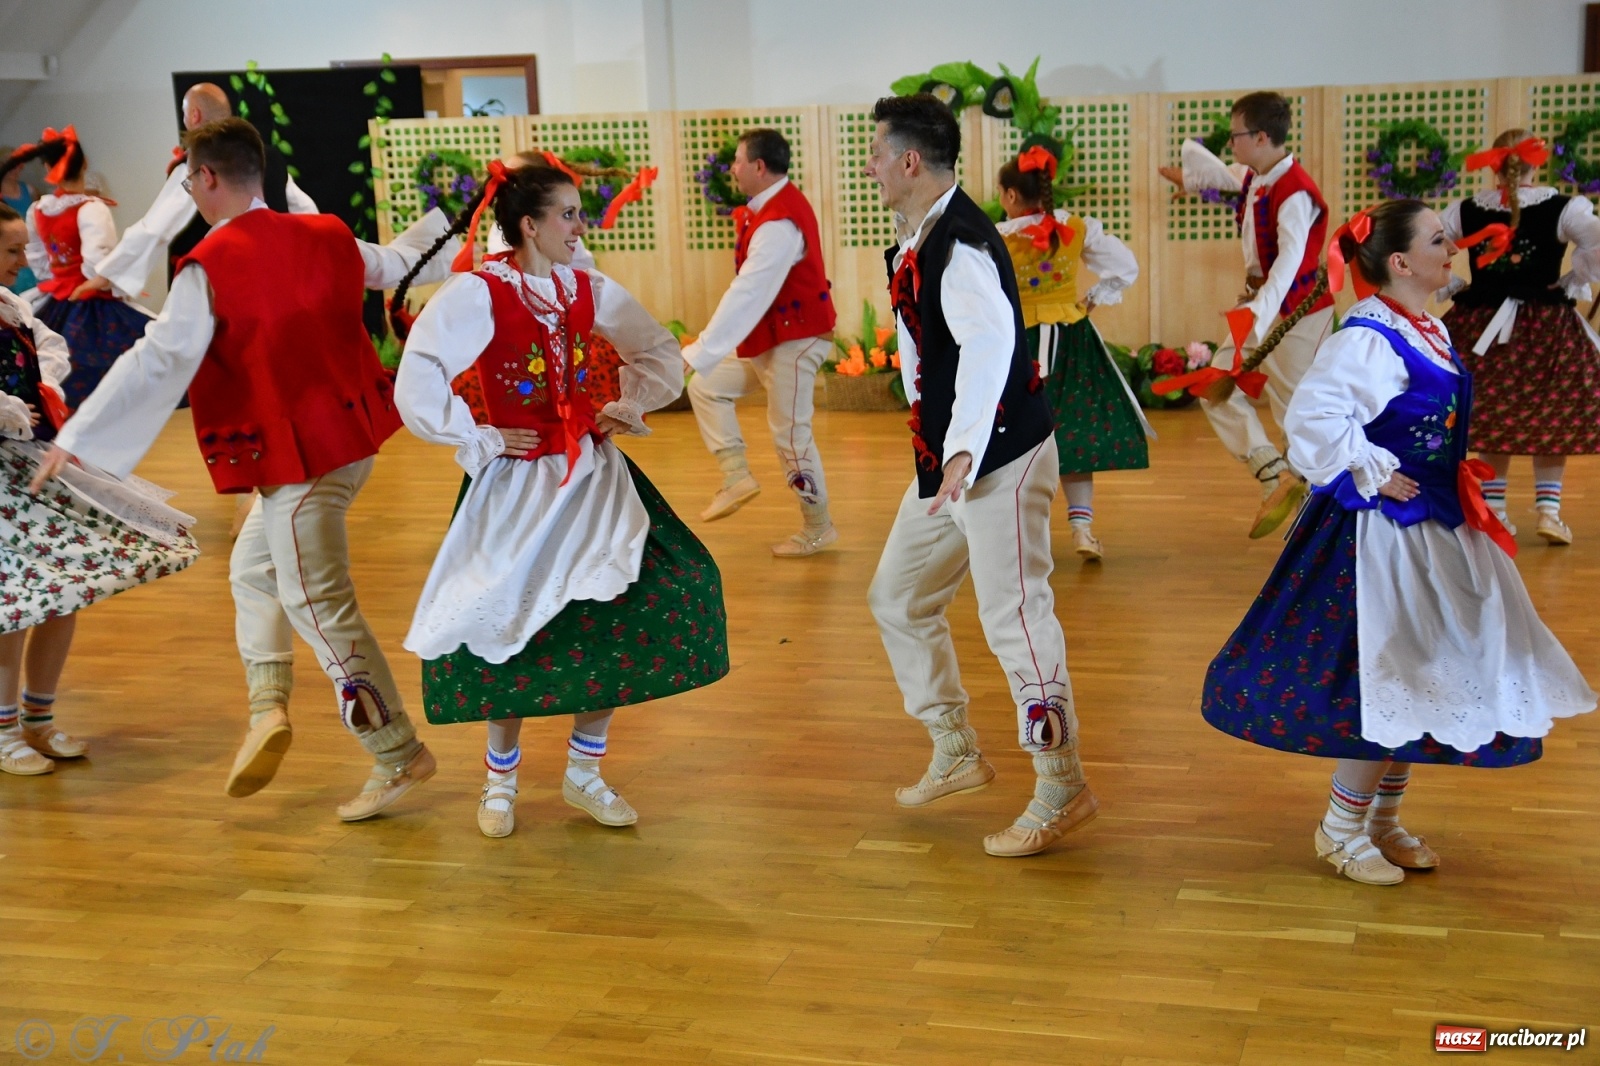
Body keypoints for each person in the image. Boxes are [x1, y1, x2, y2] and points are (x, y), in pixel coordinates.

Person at [31, 118, 458, 820]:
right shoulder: (325, 233)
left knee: (319, 605)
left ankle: (397, 751)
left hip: (301, 464)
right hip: (350, 445)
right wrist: (464, 230)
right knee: (252, 569)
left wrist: (75, 436)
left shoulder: (211, 264)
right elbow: (397, 261)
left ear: (204, 177)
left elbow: (158, 359)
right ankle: (267, 708)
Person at [1200, 199, 1595, 886]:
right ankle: (1340, 828)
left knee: (1427, 674)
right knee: (1393, 676)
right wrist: (1375, 471)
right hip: (1383, 538)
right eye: (1440, 241)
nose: (1454, 249)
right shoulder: (1368, 338)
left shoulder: (1424, 328)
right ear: (1402, 262)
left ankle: (1379, 820)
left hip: (1436, 524)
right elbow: (1315, 417)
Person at [388, 161, 729, 838]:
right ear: (529, 225)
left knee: (624, 607)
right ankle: (500, 781)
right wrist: (479, 435)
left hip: (590, 474)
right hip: (517, 482)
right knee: (505, 619)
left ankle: (585, 770)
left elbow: (657, 350)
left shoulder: (584, 287)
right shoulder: (480, 292)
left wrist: (624, 405)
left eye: (579, 213)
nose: (580, 226)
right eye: (568, 214)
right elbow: (418, 372)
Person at [863, 94, 1096, 858]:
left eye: (876, 154)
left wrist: (962, 448)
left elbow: (991, 344)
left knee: (1015, 617)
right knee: (898, 597)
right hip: (950, 466)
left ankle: (1062, 783)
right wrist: (946, 451)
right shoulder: (923, 236)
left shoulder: (959, 243)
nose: (869, 167)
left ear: (909, 161)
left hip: (997, 461)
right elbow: (929, 352)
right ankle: (955, 747)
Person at [0, 202, 199, 775]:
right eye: (11, 250)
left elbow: (49, 347)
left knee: (65, 588)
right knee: (15, 604)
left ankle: (38, 718)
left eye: (22, 248)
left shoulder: (13, 305)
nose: (22, 261)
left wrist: (42, 386)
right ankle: (4, 729)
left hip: (28, 460)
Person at [1159, 91, 1334, 538]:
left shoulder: (1295, 192)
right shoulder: (1260, 175)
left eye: (1236, 135)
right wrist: (1191, 179)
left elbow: (1290, 260)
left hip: (1295, 310)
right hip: (1261, 306)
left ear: (1260, 137)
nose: (1231, 142)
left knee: (1297, 411)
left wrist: (1259, 313)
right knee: (1213, 387)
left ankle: (1319, 518)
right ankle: (1274, 473)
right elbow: (1228, 175)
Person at [681, 128, 839, 557]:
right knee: (707, 386)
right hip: (775, 336)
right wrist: (702, 357)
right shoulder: (770, 210)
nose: (732, 169)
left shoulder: (779, 222)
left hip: (797, 339)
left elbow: (748, 293)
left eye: (737, 161)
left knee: (791, 435)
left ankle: (818, 527)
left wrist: (698, 350)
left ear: (759, 166)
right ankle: (736, 476)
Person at [1437, 129, 1600, 546]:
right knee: (1553, 414)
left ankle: (1495, 510)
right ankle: (1548, 512)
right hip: (1547, 326)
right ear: (1535, 165)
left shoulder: (1466, 210)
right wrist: (1573, 280)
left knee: (1492, 414)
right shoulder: (1565, 208)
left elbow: (1428, 244)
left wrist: (1454, 285)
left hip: (1480, 326)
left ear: (1494, 165)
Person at [996, 140, 1148, 561]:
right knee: (1075, 432)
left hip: (1018, 345)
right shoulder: (1075, 227)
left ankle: (1021, 536)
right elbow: (1125, 266)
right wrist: (1092, 298)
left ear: (1011, 195)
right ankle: (1082, 529)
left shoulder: (996, 238)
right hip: (1072, 340)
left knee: (1016, 437)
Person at [75, 82, 317, 304]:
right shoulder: (267, 157)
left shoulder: (196, 167)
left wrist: (109, 274)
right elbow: (306, 212)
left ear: (194, 115)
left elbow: (155, 227)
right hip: (276, 277)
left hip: (221, 281)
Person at [3, 129, 154, 408]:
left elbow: (37, 256)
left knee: (50, 359)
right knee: (135, 360)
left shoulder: (39, 209)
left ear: (47, 168)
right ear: (84, 164)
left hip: (55, 299)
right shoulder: (92, 208)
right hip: (90, 300)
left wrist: (54, 279)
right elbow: (99, 263)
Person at [0, 147, 39, 292]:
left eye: (19, 165)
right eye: (11, 165)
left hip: (27, 244)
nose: (16, 170)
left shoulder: (29, 190)